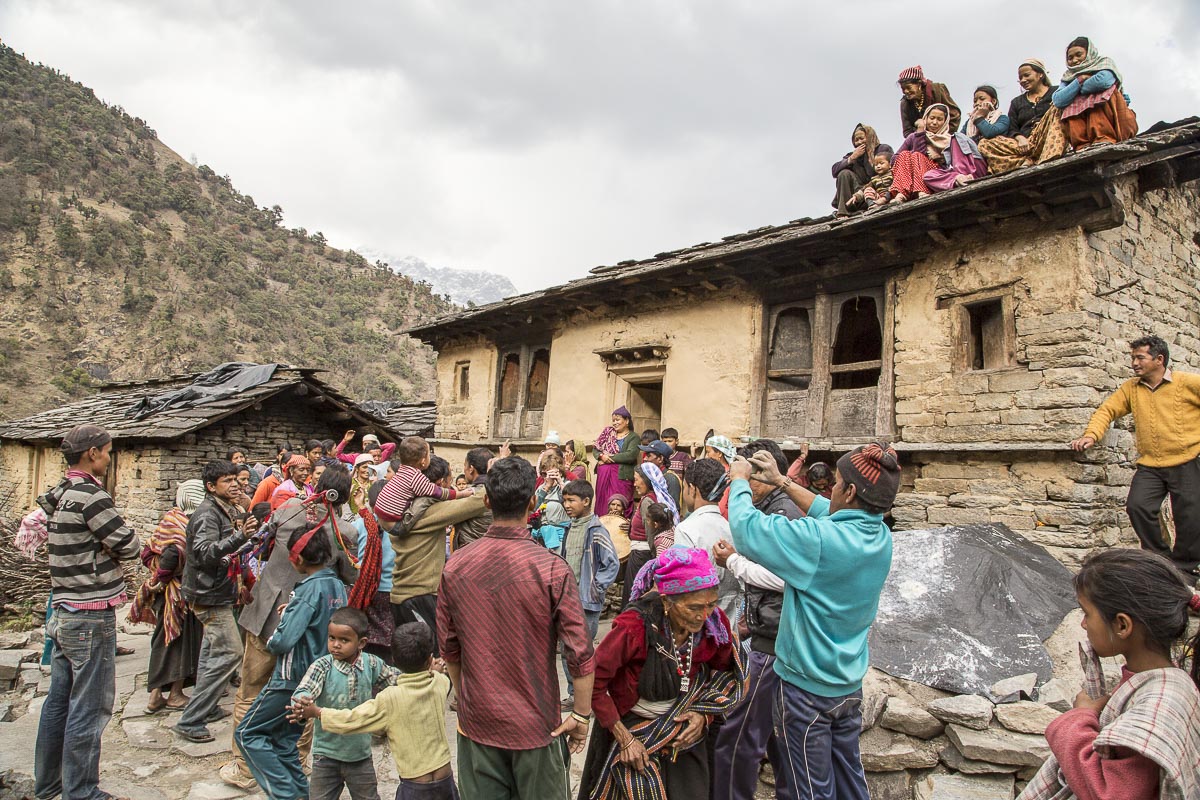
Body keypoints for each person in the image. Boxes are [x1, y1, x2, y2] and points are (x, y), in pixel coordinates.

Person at [728, 443, 899, 800]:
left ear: (850, 491)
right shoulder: (879, 536)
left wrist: (740, 480)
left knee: (812, 789)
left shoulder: (820, 541)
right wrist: (781, 482)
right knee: (850, 780)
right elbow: (826, 509)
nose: (831, 489)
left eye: (836, 482)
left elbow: (746, 529)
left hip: (808, 692)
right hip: (847, 685)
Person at [437, 456, 596, 799]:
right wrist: (581, 716)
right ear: (532, 502)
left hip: (478, 722)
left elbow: (450, 649)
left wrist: (468, 700)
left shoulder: (457, 565)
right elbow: (579, 654)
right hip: (537, 725)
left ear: (487, 501)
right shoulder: (552, 569)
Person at [1017, 549, 1200, 800]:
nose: (1083, 624)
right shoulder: (1158, 682)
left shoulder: (1159, 703)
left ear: (1122, 625)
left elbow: (1110, 793)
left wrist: (1080, 718)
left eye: (1086, 613)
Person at [220, 468, 358, 790]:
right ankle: (296, 763)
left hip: (266, 615)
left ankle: (245, 768)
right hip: (310, 632)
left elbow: (262, 549)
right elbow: (348, 579)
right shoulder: (345, 532)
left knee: (250, 691)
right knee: (303, 694)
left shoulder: (286, 511)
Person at [580, 548, 744, 799]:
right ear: (667, 601)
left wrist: (703, 716)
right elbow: (594, 679)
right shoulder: (634, 626)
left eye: (711, 604)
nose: (704, 615)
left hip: (685, 728)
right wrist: (624, 740)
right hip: (632, 727)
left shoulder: (714, 624)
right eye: (694, 607)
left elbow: (726, 674)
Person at [34, 424, 142, 800]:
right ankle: (81, 791)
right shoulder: (91, 495)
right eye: (108, 452)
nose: (110, 459)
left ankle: (48, 785)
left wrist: (103, 546)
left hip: (62, 607)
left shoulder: (60, 492)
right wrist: (112, 546)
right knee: (90, 707)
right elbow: (128, 544)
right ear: (93, 453)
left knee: (59, 702)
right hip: (90, 612)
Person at [711, 440, 801, 800]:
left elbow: (788, 577)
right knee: (778, 735)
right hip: (769, 631)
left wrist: (733, 562)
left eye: (746, 475)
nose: (739, 483)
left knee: (739, 735)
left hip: (774, 639)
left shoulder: (782, 514)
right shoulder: (767, 508)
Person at [235, 519, 348, 800]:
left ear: (296, 559)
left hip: (291, 678)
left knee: (248, 734)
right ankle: (300, 793)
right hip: (316, 678)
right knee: (284, 741)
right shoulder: (336, 587)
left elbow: (283, 641)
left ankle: (285, 794)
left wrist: (280, 627)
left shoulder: (307, 590)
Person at [1071, 335, 1200, 576]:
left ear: (1159, 359)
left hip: (1187, 461)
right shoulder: (1131, 388)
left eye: (1140, 357)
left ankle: (1185, 570)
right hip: (1151, 465)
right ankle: (1161, 562)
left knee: (1190, 518)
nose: (1134, 363)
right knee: (1137, 506)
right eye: (1133, 358)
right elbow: (1107, 410)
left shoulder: (1187, 383)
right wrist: (1091, 435)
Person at [291, 622, 459, 800]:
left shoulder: (389, 698)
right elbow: (438, 675)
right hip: (445, 779)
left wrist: (317, 712)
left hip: (414, 786)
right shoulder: (440, 683)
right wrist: (435, 670)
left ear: (393, 659)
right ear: (429, 659)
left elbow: (352, 719)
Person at [173, 460, 258, 745]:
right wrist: (239, 537)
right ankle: (190, 719)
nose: (235, 484)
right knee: (231, 652)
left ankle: (205, 708)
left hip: (218, 590)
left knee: (211, 654)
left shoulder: (226, 510)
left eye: (236, 479)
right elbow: (206, 553)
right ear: (211, 487)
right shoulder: (208, 515)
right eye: (227, 481)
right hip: (207, 594)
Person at [289, 608, 398, 800]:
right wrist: (302, 704)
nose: (336, 645)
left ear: (361, 643)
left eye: (344, 640)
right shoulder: (323, 666)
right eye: (332, 638)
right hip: (325, 756)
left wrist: (421, 673)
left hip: (360, 756)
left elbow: (395, 681)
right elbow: (305, 690)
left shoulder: (371, 664)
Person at [390, 455, 488, 653]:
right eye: (450, 480)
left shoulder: (403, 509)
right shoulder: (429, 512)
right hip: (419, 595)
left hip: (402, 595)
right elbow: (478, 501)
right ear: (441, 483)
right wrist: (494, 474)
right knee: (431, 660)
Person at [128, 479, 206, 714]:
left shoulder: (171, 518)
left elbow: (147, 552)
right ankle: (174, 694)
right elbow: (171, 555)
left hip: (170, 590)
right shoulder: (184, 526)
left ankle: (156, 696)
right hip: (177, 592)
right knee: (179, 641)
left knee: (166, 639)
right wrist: (161, 579)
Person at [558, 480, 622, 710]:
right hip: (568, 600)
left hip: (586, 602)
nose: (567, 505)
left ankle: (592, 698)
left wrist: (596, 588)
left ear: (586, 501)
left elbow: (611, 564)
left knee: (583, 652)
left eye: (571, 500)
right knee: (567, 650)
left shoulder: (596, 530)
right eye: (565, 500)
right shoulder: (569, 528)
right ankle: (575, 695)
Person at [675, 458, 742, 624]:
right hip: (729, 627)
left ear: (693, 489)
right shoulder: (732, 529)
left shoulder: (687, 530)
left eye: (684, 487)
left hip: (698, 628)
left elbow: (683, 585)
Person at [977, 58, 1066, 174]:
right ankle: (1029, 160)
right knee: (984, 143)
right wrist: (1020, 138)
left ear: (1040, 74)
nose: (1023, 80)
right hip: (1025, 145)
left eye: (1027, 75)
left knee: (1056, 108)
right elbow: (1012, 128)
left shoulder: (1056, 92)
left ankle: (1046, 158)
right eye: (1020, 78)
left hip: (1048, 138)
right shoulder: (1016, 102)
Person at [1052, 36, 1137, 151]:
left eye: (1079, 55)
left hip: (1111, 117)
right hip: (1082, 135)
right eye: (1070, 58)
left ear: (1088, 53)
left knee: (1097, 97)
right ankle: (1082, 144)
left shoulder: (1104, 63)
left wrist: (1078, 90)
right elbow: (1058, 100)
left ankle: (1103, 137)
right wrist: (1079, 80)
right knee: (1069, 107)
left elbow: (1103, 81)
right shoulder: (1068, 76)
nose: (1075, 60)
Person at [890, 104, 986, 203]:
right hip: (911, 177)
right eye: (932, 118)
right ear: (925, 118)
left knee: (917, 156)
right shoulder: (914, 136)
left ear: (945, 122)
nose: (934, 122)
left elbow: (951, 166)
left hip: (933, 176)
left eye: (939, 119)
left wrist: (937, 158)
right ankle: (901, 193)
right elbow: (894, 160)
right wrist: (920, 133)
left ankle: (921, 191)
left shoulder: (950, 140)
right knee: (905, 154)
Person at [373, 436, 467, 528]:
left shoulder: (402, 469)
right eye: (428, 454)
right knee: (428, 499)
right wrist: (460, 494)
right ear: (423, 461)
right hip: (394, 524)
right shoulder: (415, 477)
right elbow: (437, 492)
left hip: (380, 513)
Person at [352, 481, 397, 663]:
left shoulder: (358, 525)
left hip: (366, 592)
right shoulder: (401, 526)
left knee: (366, 637)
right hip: (393, 591)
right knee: (391, 637)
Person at [621, 464, 664, 611]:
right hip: (642, 554)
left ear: (646, 480)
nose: (634, 484)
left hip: (642, 555)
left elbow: (651, 531)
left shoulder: (647, 502)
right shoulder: (649, 498)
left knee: (635, 595)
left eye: (636, 480)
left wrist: (655, 558)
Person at [830, 123, 895, 217]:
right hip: (858, 195)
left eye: (862, 138)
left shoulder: (883, 149)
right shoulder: (853, 155)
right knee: (844, 173)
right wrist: (852, 158)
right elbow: (834, 171)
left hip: (880, 190)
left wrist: (870, 156)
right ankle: (843, 212)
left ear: (869, 137)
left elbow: (891, 168)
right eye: (856, 140)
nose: (859, 142)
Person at [595, 406, 640, 516]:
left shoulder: (633, 437)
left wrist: (608, 459)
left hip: (622, 477)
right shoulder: (608, 433)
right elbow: (595, 449)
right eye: (613, 420)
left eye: (618, 420)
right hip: (604, 476)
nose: (615, 423)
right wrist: (601, 456)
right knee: (603, 503)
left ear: (627, 421)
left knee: (620, 503)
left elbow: (631, 455)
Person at [897, 65, 961, 138]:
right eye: (903, 88)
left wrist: (943, 136)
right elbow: (907, 132)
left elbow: (955, 115)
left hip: (945, 139)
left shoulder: (937, 90)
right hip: (921, 142)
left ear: (919, 84)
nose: (906, 91)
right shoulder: (905, 103)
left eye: (909, 87)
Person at [452, 447, 494, 549]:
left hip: (470, 551)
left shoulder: (471, 495)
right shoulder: (500, 491)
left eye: (465, 466)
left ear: (471, 468)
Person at [639, 440, 683, 509]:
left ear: (660, 459)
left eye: (648, 456)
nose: (645, 459)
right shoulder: (651, 477)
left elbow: (672, 510)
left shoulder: (670, 479)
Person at [332, 429, 396, 467]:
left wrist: (376, 447)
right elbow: (337, 455)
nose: (376, 458)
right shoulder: (357, 457)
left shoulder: (380, 457)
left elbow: (392, 445)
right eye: (365, 444)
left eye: (369, 444)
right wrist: (344, 441)